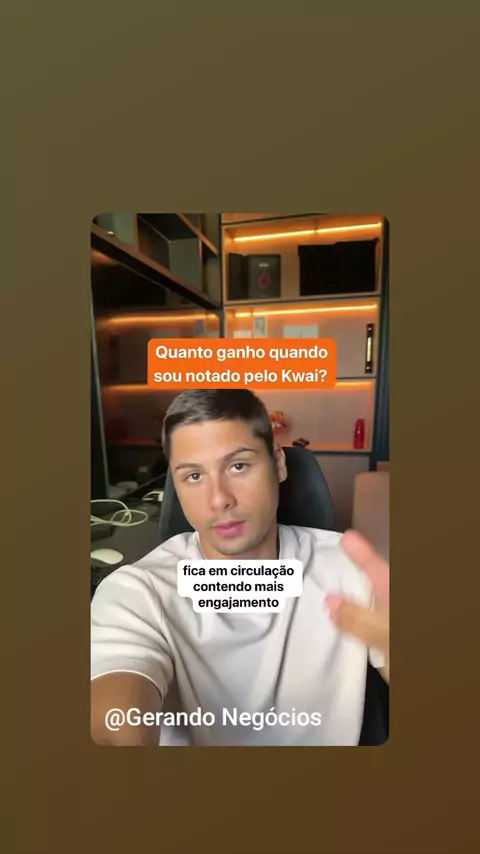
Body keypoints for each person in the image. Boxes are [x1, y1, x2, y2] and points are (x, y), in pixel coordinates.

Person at [91, 389, 389, 746]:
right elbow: (116, 727)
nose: (219, 499)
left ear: (278, 464)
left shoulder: (352, 569)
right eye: (194, 476)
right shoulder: (138, 592)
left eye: (238, 466)